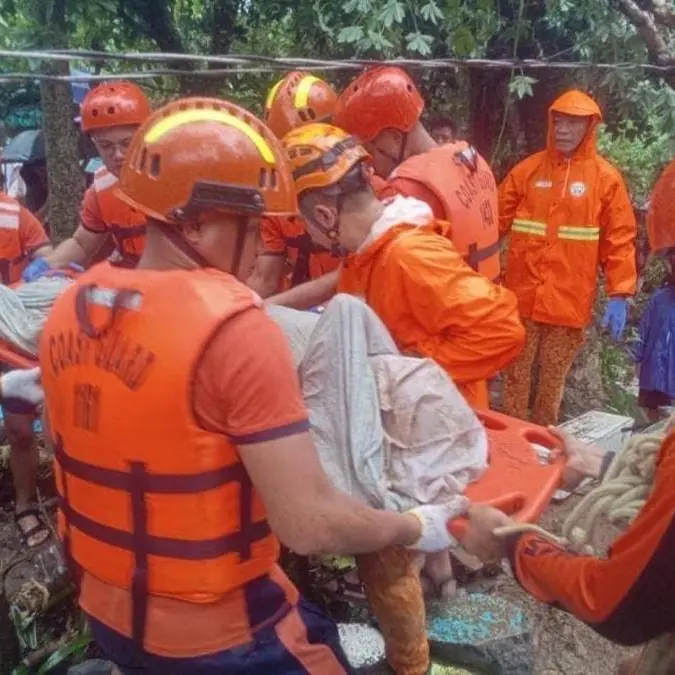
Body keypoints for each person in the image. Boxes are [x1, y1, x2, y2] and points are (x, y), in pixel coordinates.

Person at [38, 96, 470, 674]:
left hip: (108, 614)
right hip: (217, 635)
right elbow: (310, 524)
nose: (261, 245)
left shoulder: (69, 305)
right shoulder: (234, 328)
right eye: (251, 225)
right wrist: (417, 524)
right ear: (195, 222)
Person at [280, 122, 524, 409]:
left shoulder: (408, 254)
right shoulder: (365, 254)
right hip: (412, 417)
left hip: (443, 426)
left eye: (302, 221)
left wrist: (405, 369)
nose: (306, 233)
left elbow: (501, 328)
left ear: (323, 216)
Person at [498, 90, 637, 426]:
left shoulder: (605, 180)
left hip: (568, 303)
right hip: (522, 297)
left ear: (588, 128)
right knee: (514, 377)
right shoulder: (528, 171)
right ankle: (512, 442)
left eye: (572, 123)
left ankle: (544, 444)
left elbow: (620, 239)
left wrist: (620, 293)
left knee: (551, 384)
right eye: (558, 121)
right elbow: (491, 221)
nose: (562, 129)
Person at [333, 66, 501, 283]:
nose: (370, 162)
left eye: (370, 150)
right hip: (486, 297)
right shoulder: (472, 159)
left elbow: (372, 273)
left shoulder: (408, 189)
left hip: (441, 311)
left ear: (394, 137)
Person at [22, 81, 151, 281]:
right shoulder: (102, 189)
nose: (117, 154)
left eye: (127, 143)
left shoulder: (177, 179)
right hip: (135, 289)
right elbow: (82, 243)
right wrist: (49, 263)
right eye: (106, 145)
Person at [247, 72, 341, 298]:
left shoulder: (366, 189)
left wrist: (277, 305)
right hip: (301, 309)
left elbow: (351, 274)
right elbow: (264, 278)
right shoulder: (276, 202)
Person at [0, 192, 52, 548]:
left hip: (12, 334)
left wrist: (50, 269)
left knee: (21, 430)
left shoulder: (11, 212)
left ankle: (25, 506)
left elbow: (45, 253)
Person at [634, 248, 675, 423]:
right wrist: (636, 358)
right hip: (653, 375)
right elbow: (643, 331)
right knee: (651, 425)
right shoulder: (659, 299)